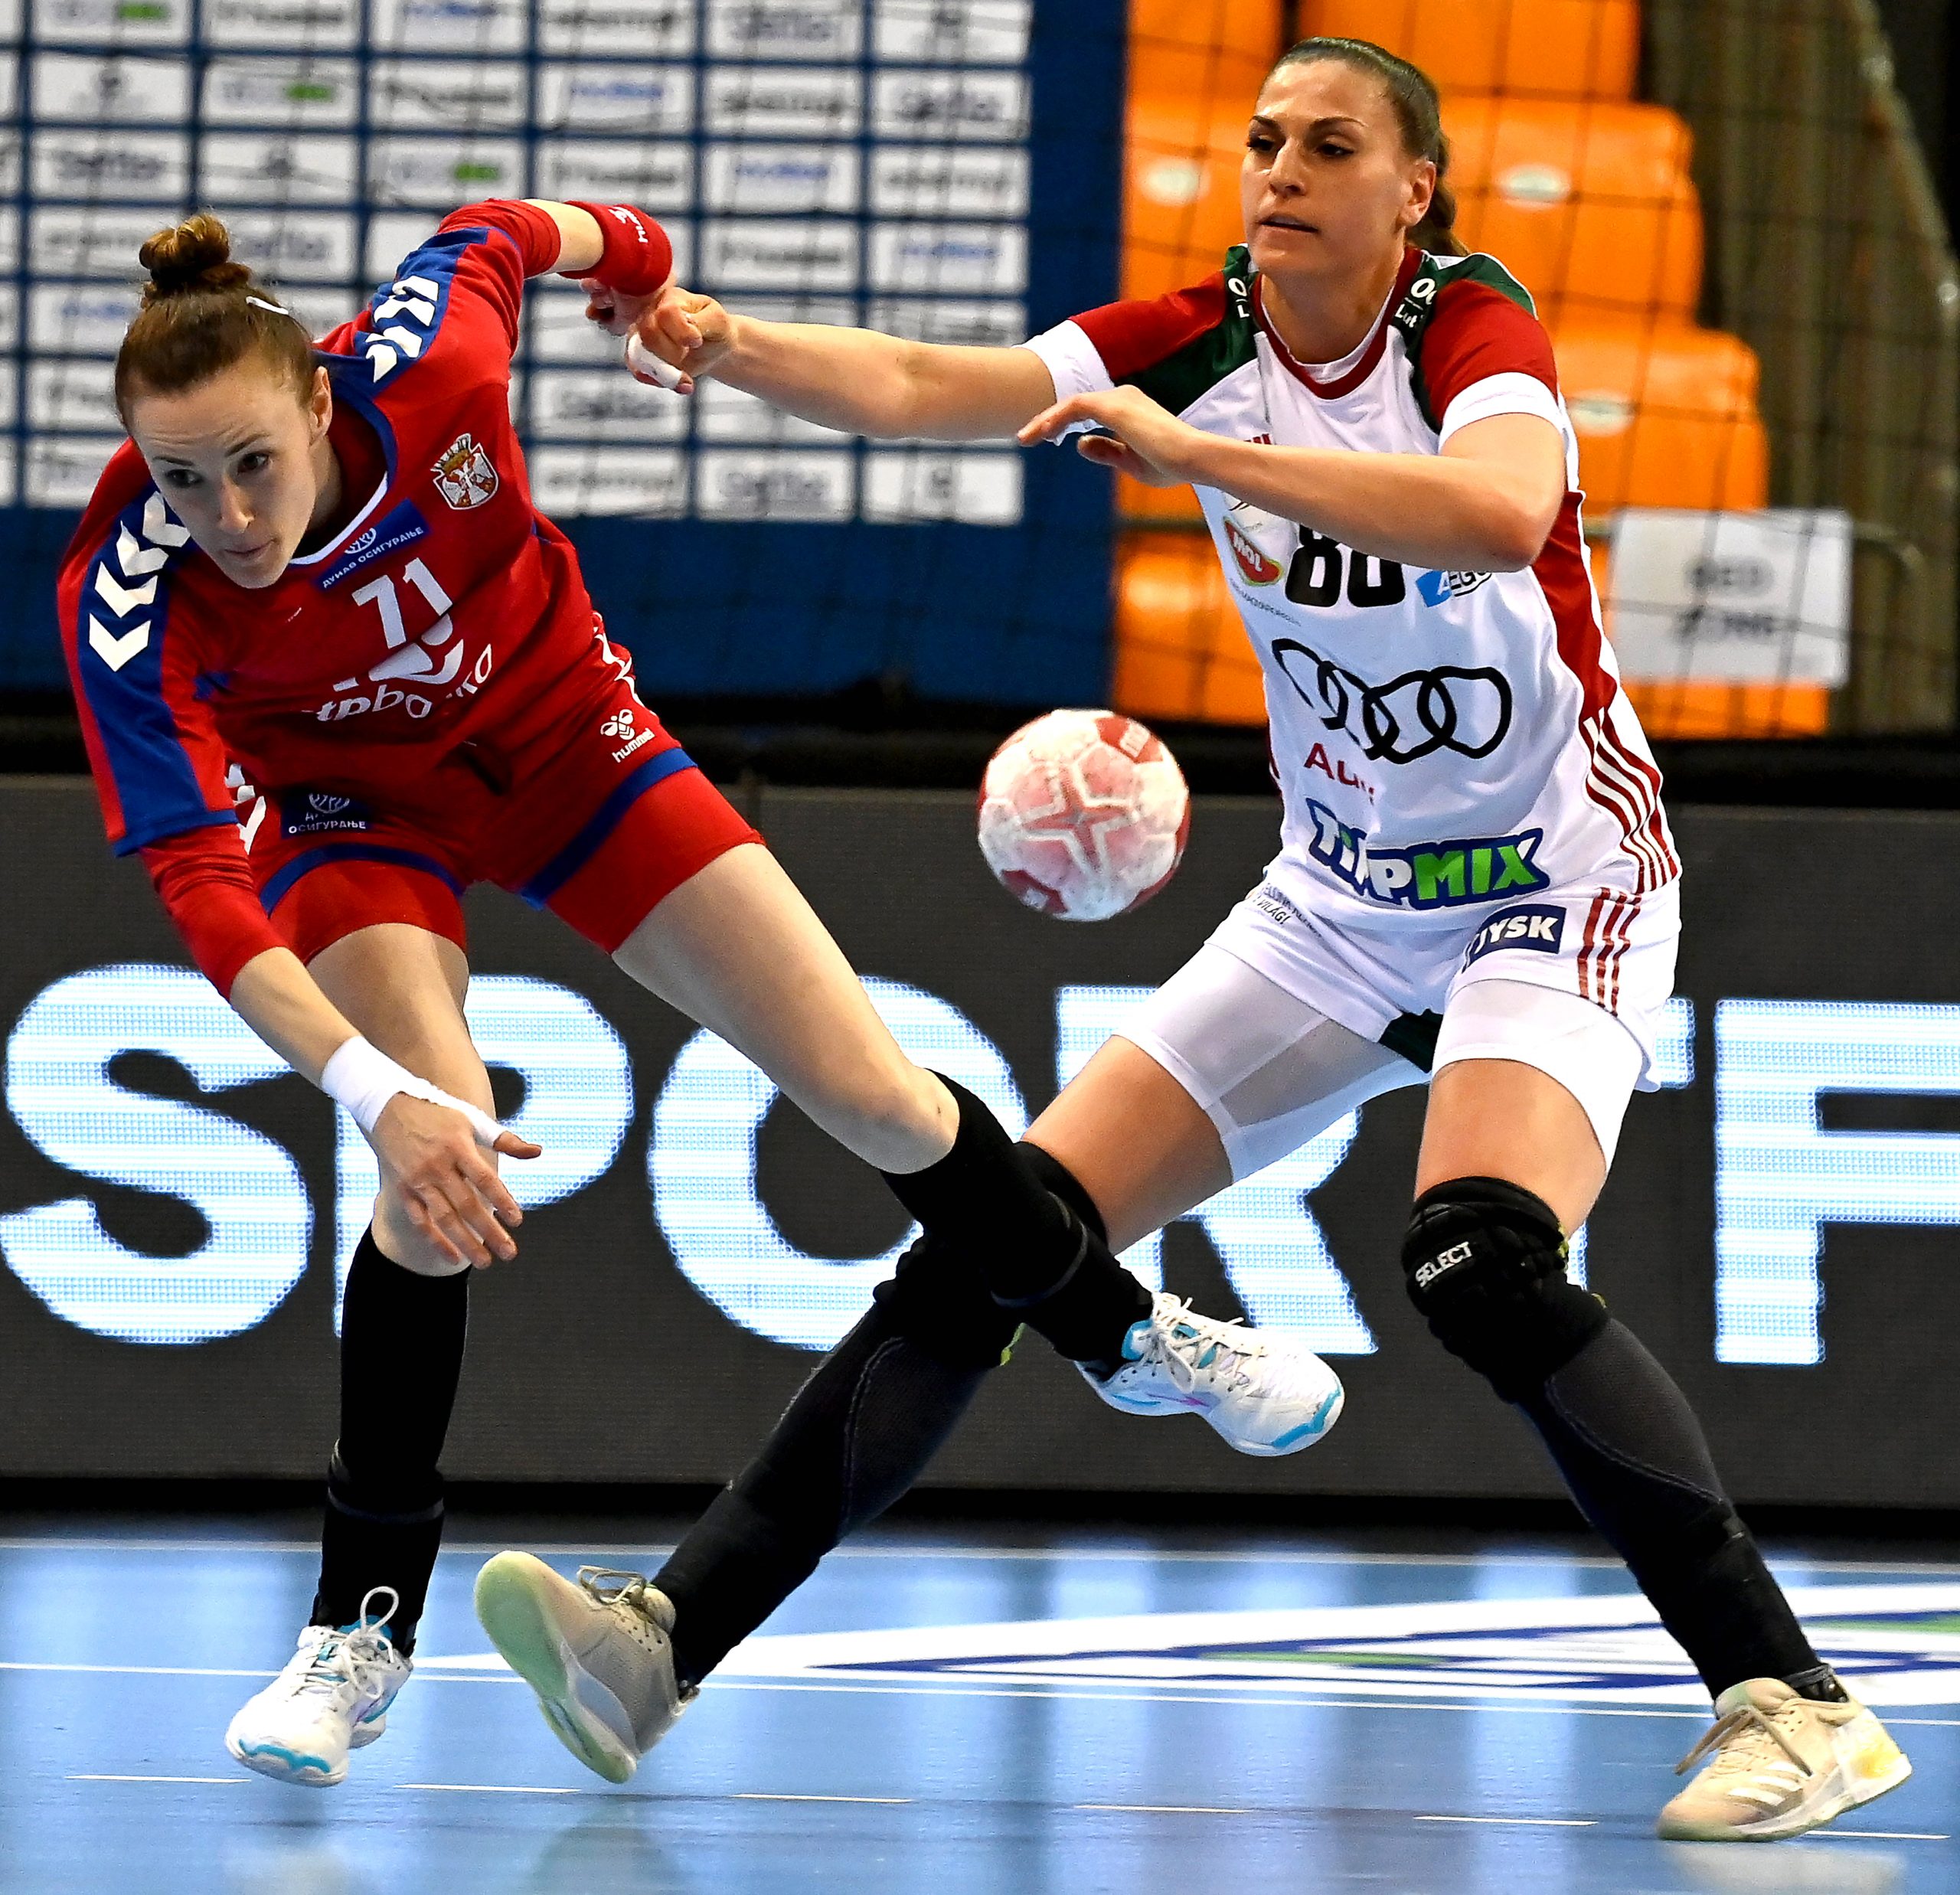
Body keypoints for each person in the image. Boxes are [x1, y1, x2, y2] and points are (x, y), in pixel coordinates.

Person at [473, 38, 1910, 1844]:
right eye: (1260, 140)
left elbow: (1498, 515)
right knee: (999, 1238)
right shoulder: (1198, 331)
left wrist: (1180, 448)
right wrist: (729, 342)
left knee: (1476, 1260)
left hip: (1556, 876)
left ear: (1413, 193)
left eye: (1328, 144)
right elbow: (939, 381)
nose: (1278, 169)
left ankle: (1790, 1701)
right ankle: (656, 1645)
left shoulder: (1465, 325)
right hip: (1336, 897)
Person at [57, 197, 1343, 1788]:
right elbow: (199, 884)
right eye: (183, 479)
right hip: (351, 815)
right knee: (432, 1152)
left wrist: (648, 281)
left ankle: (1124, 1335)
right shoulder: (130, 586)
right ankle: (359, 1628)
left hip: (566, 737)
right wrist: (372, 1094)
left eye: (253, 461)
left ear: (320, 397)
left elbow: (515, 230)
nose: (228, 512)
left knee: (872, 1086)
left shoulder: (430, 357)